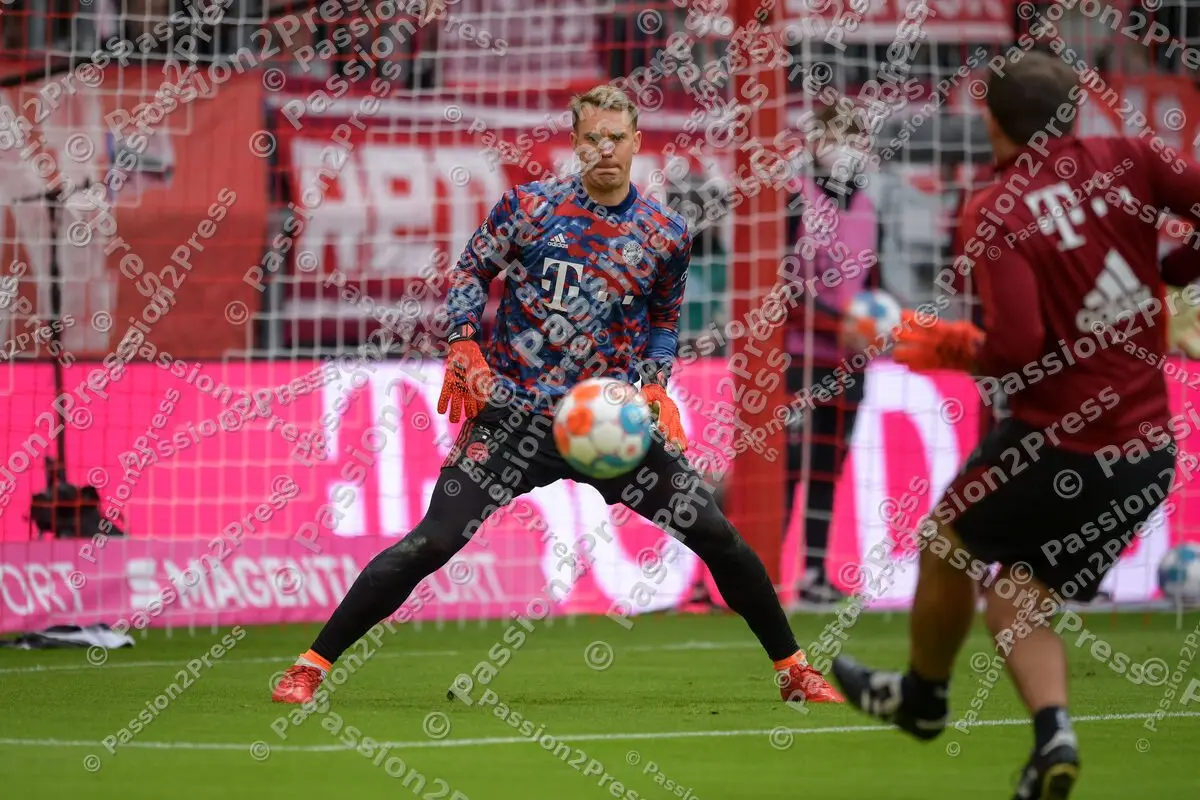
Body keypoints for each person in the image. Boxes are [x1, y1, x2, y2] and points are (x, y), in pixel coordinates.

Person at [271, 85, 842, 707]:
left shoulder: (665, 234)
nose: (605, 149)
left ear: (632, 143)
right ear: (576, 142)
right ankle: (311, 665)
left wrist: (656, 384)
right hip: (515, 416)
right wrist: (463, 342)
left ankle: (794, 669)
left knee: (718, 535)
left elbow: (662, 320)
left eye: (616, 138)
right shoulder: (527, 208)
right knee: (433, 540)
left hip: (611, 423)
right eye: (593, 137)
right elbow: (472, 272)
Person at [830, 51, 1200, 800]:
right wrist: (1181, 268)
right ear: (1073, 114)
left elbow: (1018, 348)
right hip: (1149, 455)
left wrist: (936, 343)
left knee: (945, 540)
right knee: (1018, 597)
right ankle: (1052, 738)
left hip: (1058, 440)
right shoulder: (1127, 157)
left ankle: (924, 699)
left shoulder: (997, 206)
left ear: (992, 122)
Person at [782, 99, 885, 605]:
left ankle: (815, 572)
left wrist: (881, 324)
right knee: (785, 464)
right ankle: (764, 571)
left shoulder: (870, 211)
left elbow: (873, 288)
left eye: (856, 140)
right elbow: (776, 287)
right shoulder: (793, 200)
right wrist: (835, 322)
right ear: (815, 145)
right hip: (796, 360)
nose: (848, 151)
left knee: (828, 467)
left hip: (850, 364)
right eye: (837, 138)